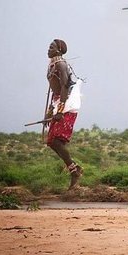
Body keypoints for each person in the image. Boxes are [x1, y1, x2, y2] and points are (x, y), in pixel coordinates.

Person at [45, 39, 83, 190]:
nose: (48, 49)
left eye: (52, 47)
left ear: (59, 50)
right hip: (58, 101)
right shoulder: (52, 65)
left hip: (67, 103)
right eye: (48, 46)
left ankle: (74, 170)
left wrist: (60, 110)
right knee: (51, 141)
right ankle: (74, 169)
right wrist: (50, 109)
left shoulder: (61, 64)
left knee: (55, 140)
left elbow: (64, 86)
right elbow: (53, 90)